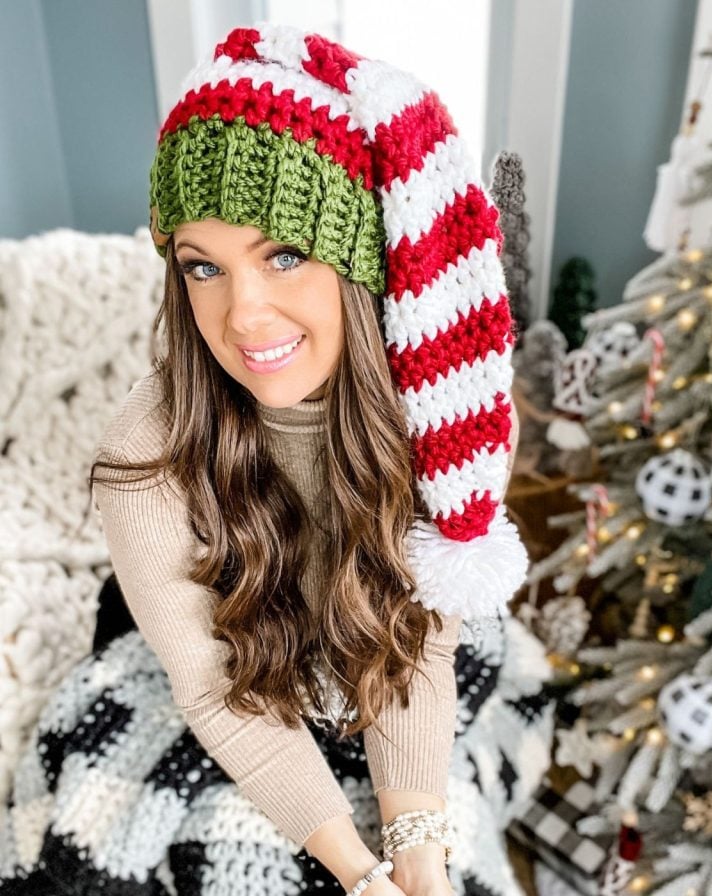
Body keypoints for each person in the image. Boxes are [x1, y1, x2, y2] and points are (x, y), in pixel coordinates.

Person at [0, 22, 539, 896]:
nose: (244, 316)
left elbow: (415, 660)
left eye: (283, 255)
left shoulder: (450, 420)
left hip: (381, 645)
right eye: (202, 267)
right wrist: (361, 876)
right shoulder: (148, 450)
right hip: (232, 646)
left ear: (360, 265)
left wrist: (417, 859)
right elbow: (213, 692)